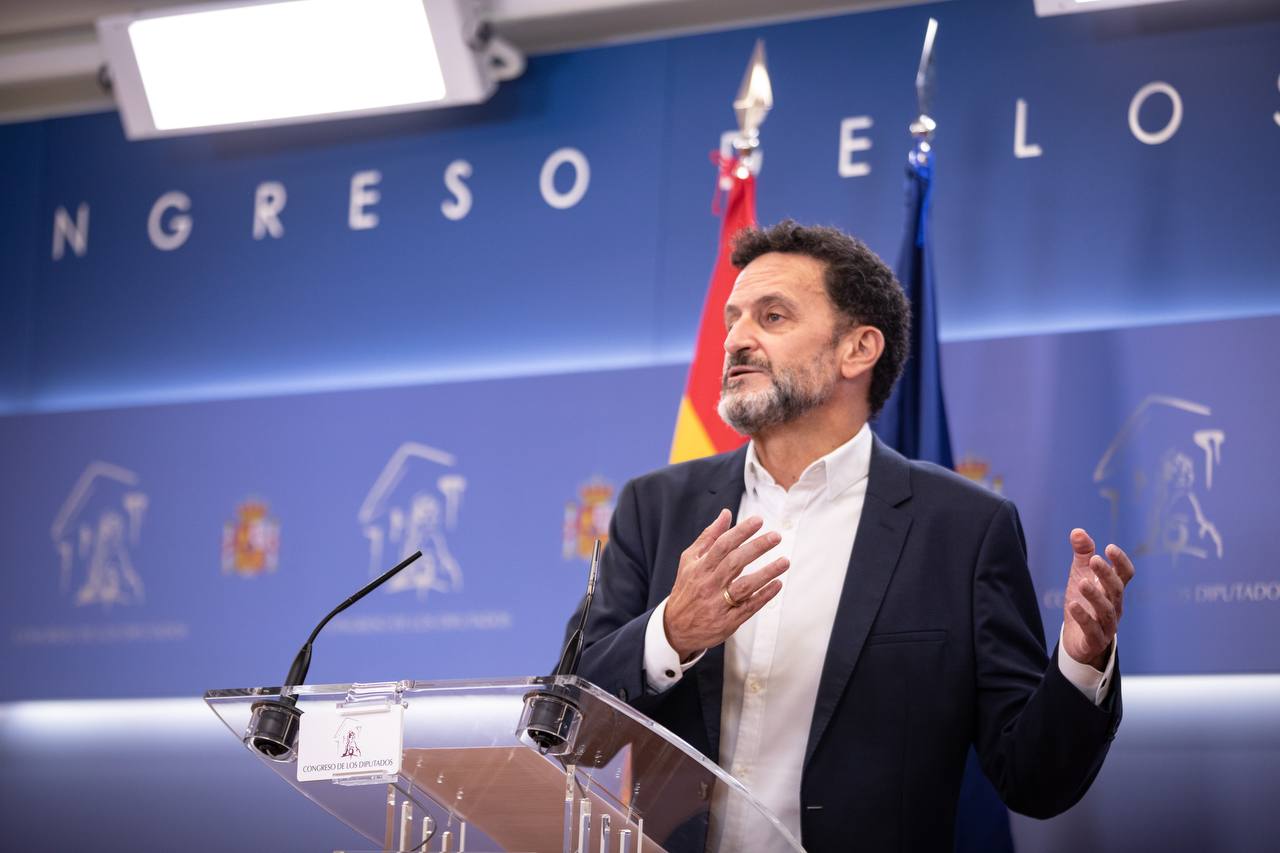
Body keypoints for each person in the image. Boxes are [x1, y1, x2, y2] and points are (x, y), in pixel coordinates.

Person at [573, 221, 1132, 852]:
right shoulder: (654, 507)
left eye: (773, 316)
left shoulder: (964, 529)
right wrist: (670, 634)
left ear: (858, 350)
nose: (735, 340)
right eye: (733, 320)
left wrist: (1081, 664)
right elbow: (569, 728)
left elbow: (1034, 780)